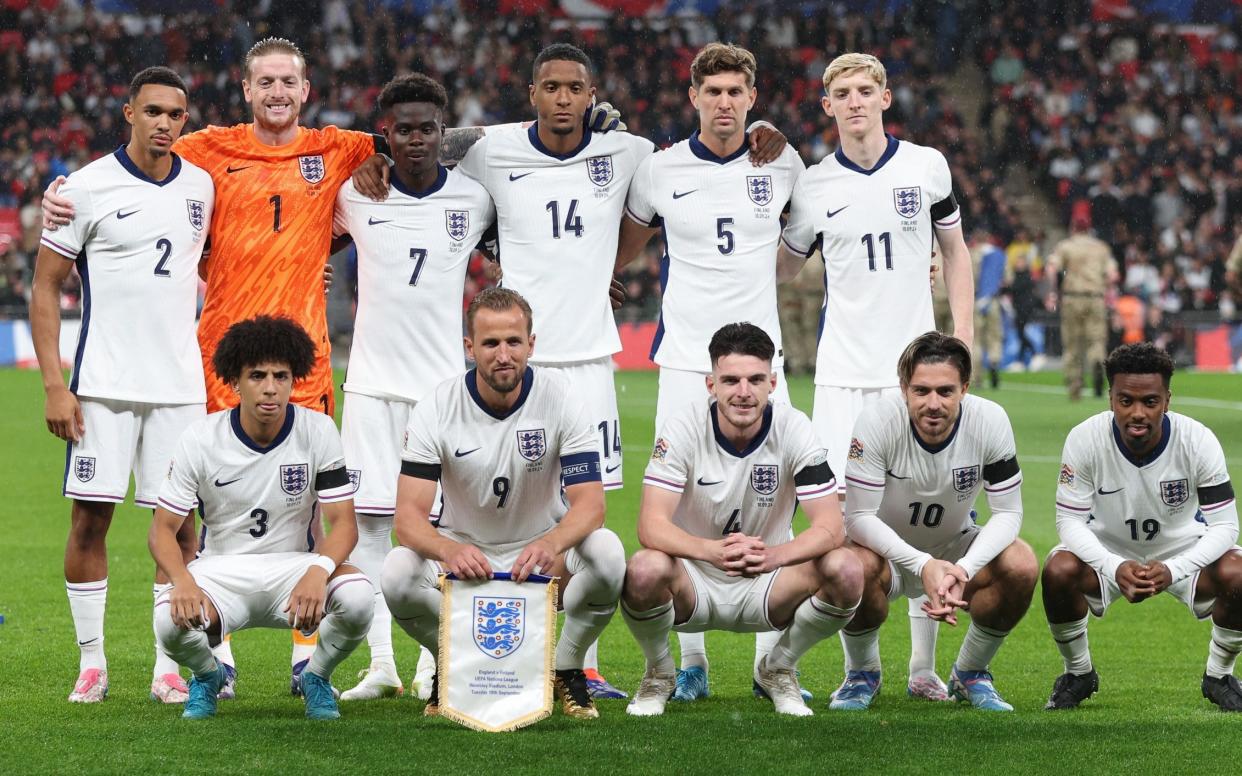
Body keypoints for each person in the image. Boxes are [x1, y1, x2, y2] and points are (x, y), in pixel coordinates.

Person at [776, 52, 976, 701]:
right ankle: (861, 670)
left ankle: (923, 670)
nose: (855, 101)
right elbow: (779, 268)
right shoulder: (811, 185)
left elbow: (955, 252)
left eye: (866, 89)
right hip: (840, 380)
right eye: (843, 92)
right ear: (827, 105)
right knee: (845, 528)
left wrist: (963, 342)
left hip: (916, 379)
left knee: (928, 518)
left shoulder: (926, 166)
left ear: (886, 98)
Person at [613, 42, 807, 703]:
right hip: (685, 358)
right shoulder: (660, 170)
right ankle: (688, 661)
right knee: (686, 503)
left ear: (752, 98)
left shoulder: (781, 161)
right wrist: (602, 284)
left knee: (770, 500)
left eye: (736, 92)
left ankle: (770, 663)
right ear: (692, 96)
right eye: (713, 91)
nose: (724, 102)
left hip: (761, 358)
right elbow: (624, 250)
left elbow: (798, 251)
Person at [30, 66, 215, 704]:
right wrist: (56, 384)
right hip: (103, 386)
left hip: (180, 387)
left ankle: (170, 663)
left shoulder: (202, 186)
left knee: (181, 529)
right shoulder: (83, 188)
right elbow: (46, 287)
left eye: (176, 114)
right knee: (90, 521)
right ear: (128, 113)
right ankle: (92, 662)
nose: (165, 123)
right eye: (153, 111)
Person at [380, 288, 626, 720]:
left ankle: (565, 666)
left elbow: (591, 506)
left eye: (514, 342)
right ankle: (449, 662)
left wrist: (552, 544)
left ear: (532, 344)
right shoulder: (437, 406)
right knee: (396, 572)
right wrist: (448, 550)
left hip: (541, 557)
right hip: (464, 554)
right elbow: (408, 520)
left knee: (608, 554)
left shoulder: (561, 397)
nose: (503, 354)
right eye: (490, 343)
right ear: (469, 347)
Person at [330, 73, 495, 701]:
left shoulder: (474, 200)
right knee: (370, 528)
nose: (417, 139)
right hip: (371, 387)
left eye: (428, 128)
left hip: (444, 397)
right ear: (387, 135)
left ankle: (433, 664)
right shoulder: (355, 194)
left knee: (442, 532)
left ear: (442, 131)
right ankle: (382, 668)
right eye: (403, 130)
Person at [621, 323, 862, 717]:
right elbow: (650, 525)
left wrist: (774, 556)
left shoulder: (794, 427)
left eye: (754, 380)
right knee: (644, 568)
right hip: (694, 579)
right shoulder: (684, 426)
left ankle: (778, 668)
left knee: (847, 569)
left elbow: (830, 527)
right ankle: (660, 672)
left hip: (767, 582)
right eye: (730, 380)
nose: (743, 392)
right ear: (711, 384)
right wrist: (709, 551)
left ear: (771, 383)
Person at [150, 316, 372, 720]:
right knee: (167, 620)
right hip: (219, 572)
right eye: (257, 375)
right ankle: (208, 675)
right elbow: (161, 530)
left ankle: (316, 678)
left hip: (295, 568)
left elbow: (344, 524)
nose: (270, 387)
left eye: (281, 376)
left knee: (358, 598)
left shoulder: (319, 431)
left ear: (294, 380)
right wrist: (182, 579)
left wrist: (320, 570)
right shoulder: (200, 438)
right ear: (234, 382)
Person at [834, 332, 1037, 711]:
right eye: (921, 391)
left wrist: (963, 569)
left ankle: (971, 673)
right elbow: (857, 519)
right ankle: (862, 673)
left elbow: (1009, 513)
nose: (933, 404)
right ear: (903, 389)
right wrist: (922, 564)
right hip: (886, 555)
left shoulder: (990, 420)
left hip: (955, 547)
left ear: (965, 388)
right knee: (849, 566)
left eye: (945, 391)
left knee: (1021, 563)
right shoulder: (877, 421)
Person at [1041, 342, 1242, 711]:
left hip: (1182, 551)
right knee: (1058, 570)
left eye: (1150, 401)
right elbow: (1068, 521)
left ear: (1167, 400)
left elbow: (1226, 527)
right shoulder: (1084, 439)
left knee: (1240, 573)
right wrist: (1113, 566)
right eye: (1125, 400)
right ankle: (1078, 673)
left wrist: (1175, 568)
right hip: (1108, 549)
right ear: (1110, 398)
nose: (1137, 413)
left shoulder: (1198, 440)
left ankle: (1219, 676)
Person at [1047, 216, 1118, 401]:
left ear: (1073, 228)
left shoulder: (1066, 246)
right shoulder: (1101, 248)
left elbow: (1052, 269)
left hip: (1073, 297)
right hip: (1095, 298)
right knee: (1097, 340)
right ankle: (1097, 363)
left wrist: (1055, 292)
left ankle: (1075, 382)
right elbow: (1112, 276)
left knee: (1072, 343)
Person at [972, 229, 1006, 389]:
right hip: (992, 300)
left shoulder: (971, 254)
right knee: (994, 337)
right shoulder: (998, 254)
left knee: (975, 339)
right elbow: (1007, 278)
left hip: (974, 300)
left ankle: (975, 376)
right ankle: (993, 361)